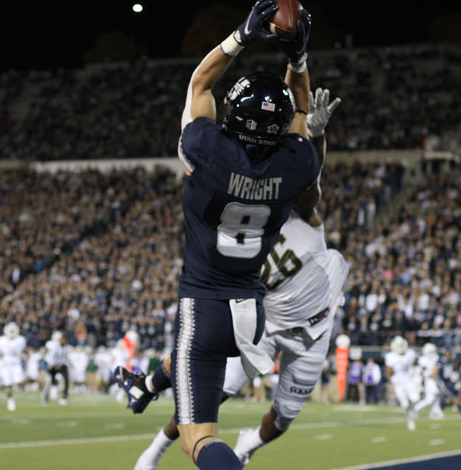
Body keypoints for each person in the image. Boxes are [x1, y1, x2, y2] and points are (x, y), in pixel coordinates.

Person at [115, 0, 317, 470]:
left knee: (198, 440)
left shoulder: (206, 149)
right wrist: (299, 58)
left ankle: (150, 393)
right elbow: (302, 116)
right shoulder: (296, 166)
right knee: (188, 375)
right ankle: (145, 387)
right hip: (251, 312)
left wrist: (241, 36)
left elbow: (199, 83)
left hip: (203, 306)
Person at [129, 87, 346, 469]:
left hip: (315, 328)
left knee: (282, 420)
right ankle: (156, 447)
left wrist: (317, 135)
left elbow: (311, 175)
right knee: (206, 395)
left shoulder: (298, 212)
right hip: (269, 322)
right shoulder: (248, 239)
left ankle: (244, 445)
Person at [384, 336, 419, 430]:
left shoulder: (410, 353)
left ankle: (413, 410)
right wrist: (392, 379)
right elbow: (388, 372)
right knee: (404, 404)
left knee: (415, 398)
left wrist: (416, 374)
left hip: (409, 380)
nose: (400, 346)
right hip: (399, 383)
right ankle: (410, 421)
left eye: (401, 344)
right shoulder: (390, 356)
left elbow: (414, 364)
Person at [0, 322, 27, 411]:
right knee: (7, 384)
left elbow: (22, 351)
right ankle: (10, 400)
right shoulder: (1, 340)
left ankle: (15, 393)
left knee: (18, 382)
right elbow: (0, 353)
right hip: (6, 365)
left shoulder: (20, 340)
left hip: (16, 365)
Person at [42, 330, 70, 406]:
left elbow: (66, 357)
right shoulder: (54, 346)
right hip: (53, 366)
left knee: (66, 380)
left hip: (62, 365)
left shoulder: (67, 347)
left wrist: (65, 364)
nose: (64, 340)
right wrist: (55, 364)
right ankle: (45, 396)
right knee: (50, 381)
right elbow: (50, 356)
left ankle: (64, 398)